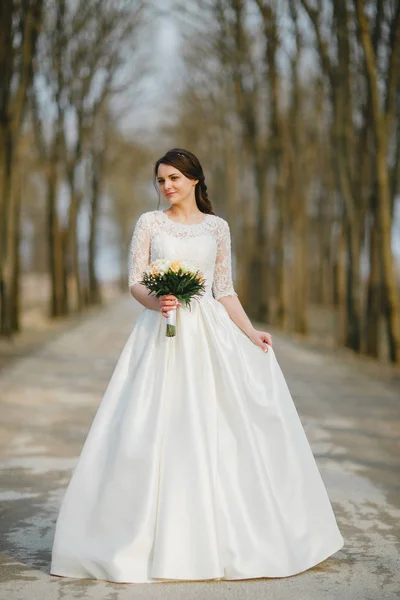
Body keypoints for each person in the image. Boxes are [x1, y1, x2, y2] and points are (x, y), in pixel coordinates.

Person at [50, 147, 344, 584]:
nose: (167, 186)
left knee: (219, 424)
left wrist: (251, 333)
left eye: (174, 178)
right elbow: (135, 280)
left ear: (194, 180)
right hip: (160, 332)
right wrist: (157, 300)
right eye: (160, 180)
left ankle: (226, 532)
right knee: (153, 425)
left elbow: (224, 290)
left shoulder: (218, 228)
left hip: (210, 337)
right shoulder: (149, 223)